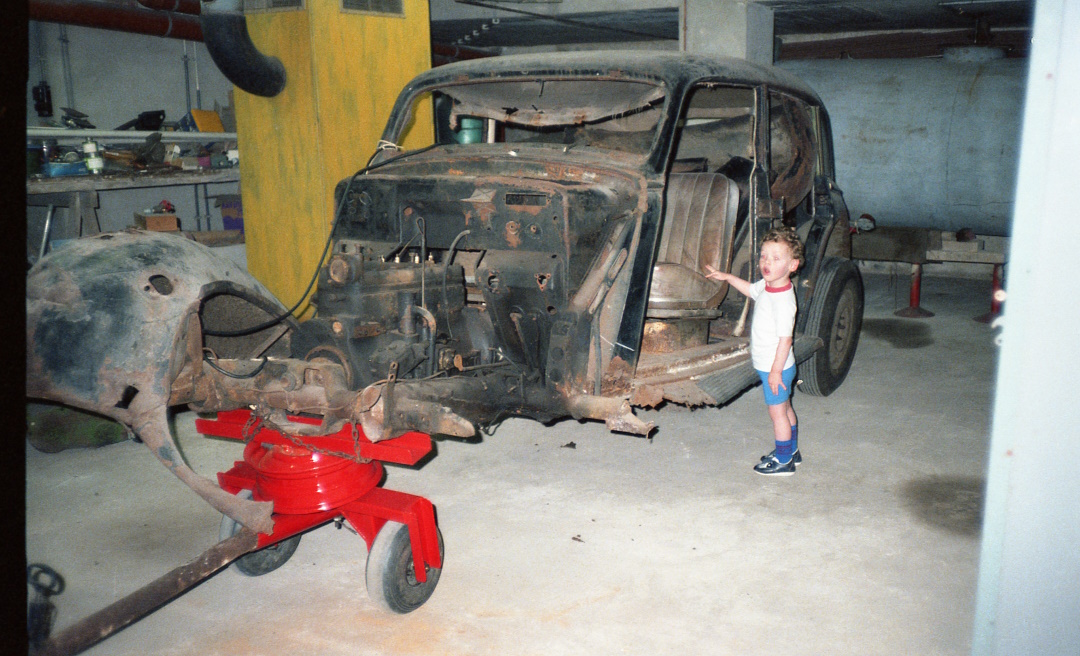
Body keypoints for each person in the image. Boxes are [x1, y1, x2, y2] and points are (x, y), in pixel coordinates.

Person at [705, 227, 803, 476]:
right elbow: (750, 290)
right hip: (774, 366)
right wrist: (727, 277)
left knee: (777, 414)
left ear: (793, 265)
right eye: (763, 256)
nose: (767, 262)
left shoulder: (783, 300)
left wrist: (775, 372)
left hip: (775, 367)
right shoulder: (769, 285)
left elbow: (786, 340)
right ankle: (791, 451)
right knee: (785, 408)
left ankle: (784, 461)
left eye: (776, 258)